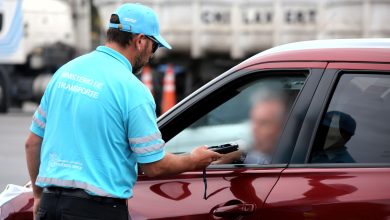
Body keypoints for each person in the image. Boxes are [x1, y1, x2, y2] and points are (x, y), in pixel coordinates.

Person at [25, 3, 220, 220]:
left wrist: (38, 195)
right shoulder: (133, 91)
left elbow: (32, 143)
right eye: (154, 47)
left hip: (49, 205)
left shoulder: (65, 73)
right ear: (140, 41)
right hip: (96, 211)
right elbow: (154, 166)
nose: (151, 56)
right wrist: (194, 159)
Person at [215, 89, 287, 164]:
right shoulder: (255, 149)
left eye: (263, 123)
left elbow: (273, 164)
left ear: (282, 127)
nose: (254, 129)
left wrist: (241, 155)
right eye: (254, 122)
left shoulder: (292, 155)